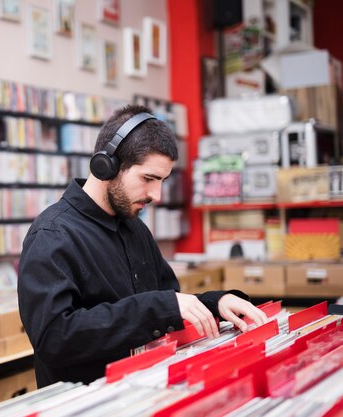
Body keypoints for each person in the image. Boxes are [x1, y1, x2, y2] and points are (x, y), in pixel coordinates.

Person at [17, 104, 268, 388]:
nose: (156, 195)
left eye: (161, 180)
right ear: (107, 165)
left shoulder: (135, 228)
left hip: (147, 392)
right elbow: (54, 339)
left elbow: (167, 303)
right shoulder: (52, 234)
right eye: (148, 178)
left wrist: (213, 303)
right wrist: (159, 308)